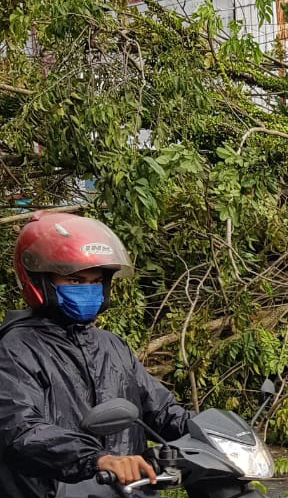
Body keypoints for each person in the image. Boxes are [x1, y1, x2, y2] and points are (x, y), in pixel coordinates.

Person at [0, 212, 193, 498]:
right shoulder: (16, 348)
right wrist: (98, 459)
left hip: (124, 491)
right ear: (39, 281)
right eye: (75, 281)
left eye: (95, 281)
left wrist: (210, 431)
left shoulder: (111, 345)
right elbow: (21, 430)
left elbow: (161, 410)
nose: (88, 289)